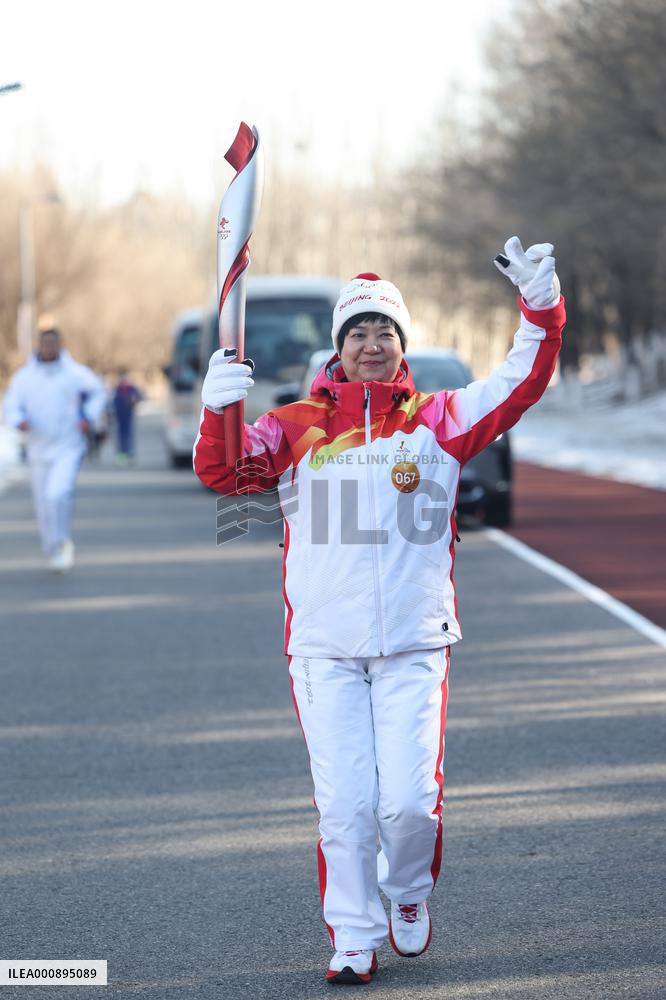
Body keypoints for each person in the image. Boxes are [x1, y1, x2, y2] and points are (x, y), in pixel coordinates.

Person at [193, 237, 566, 985]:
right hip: (324, 648)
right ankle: (353, 936)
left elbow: (522, 381)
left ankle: (408, 893)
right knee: (346, 806)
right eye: (357, 332)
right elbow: (225, 474)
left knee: (407, 806)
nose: (370, 344)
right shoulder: (295, 424)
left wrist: (542, 309)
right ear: (339, 346)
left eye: (383, 332)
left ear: (403, 346)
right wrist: (219, 408)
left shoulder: (442, 419)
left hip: (413, 643)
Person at [3, 326, 107, 572]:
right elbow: (12, 405)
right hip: (38, 450)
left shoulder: (74, 374)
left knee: (57, 494)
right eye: (44, 344)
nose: (48, 348)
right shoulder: (24, 377)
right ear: (39, 345)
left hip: (67, 446)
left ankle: (61, 543)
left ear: (59, 346)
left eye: (53, 344)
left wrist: (88, 417)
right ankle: (53, 546)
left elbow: (99, 392)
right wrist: (19, 420)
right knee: (43, 506)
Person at [111, 370, 143, 464]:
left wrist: (134, 400)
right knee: (121, 437)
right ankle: (121, 456)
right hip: (119, 416)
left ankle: (130, 455)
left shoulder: (132, 389)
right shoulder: (117, 389)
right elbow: (113, 401)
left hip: (128, 415)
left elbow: (139, 397)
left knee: (129, 436)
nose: (124, 382)